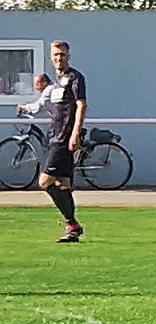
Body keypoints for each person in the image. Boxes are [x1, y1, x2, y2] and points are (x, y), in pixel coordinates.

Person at [41, 41, 88, 243]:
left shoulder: (75, 77)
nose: (59, 58)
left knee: (45, 182)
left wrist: (75, 132)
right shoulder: (56, 82)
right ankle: (73, 228)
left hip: (64, 138)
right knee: (62, 183)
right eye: (55, 55)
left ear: (68, 56)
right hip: (56, 135)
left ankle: (72, 223)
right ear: (51, 57)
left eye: (62, 54)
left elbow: (81, 104)